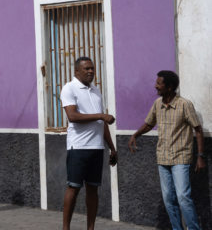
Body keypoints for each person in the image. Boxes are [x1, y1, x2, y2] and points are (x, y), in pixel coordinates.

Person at [128, 70, 205, 230]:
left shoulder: (184, 105)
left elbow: (197, 129)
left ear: (169, 87)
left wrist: (200, 156)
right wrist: (136, 134)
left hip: (181, 157)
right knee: (168, 199)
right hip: (162, 158)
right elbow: (149, 123)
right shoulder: (157, 104)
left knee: (183, 197)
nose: (155, 86)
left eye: (159, 83)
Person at [60, 57, 117, 230]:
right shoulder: (69, 88)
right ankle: (66, 228)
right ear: (76, 71)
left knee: (93, 190)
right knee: (74, 188)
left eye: (92, 68)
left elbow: (102, 123)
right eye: (86, 69)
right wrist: (101, 116)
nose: (91, 71)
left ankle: (90, 228)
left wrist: (112, 148)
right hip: (78, 148)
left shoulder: (96, 91)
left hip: (97, 147)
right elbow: (73, 116)